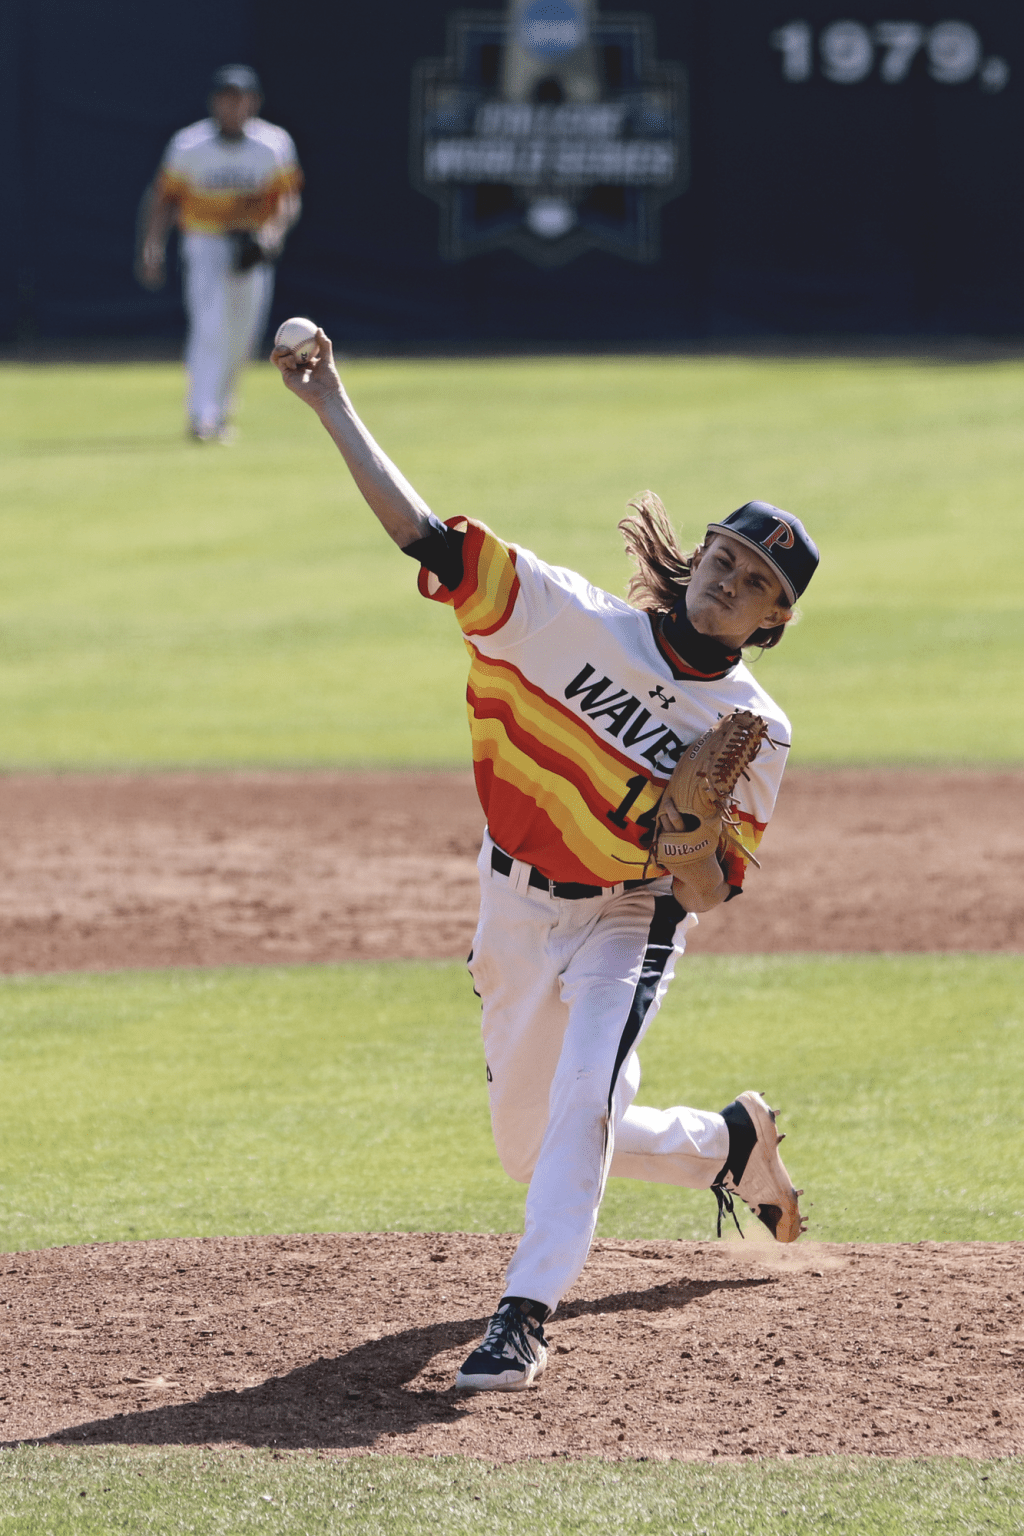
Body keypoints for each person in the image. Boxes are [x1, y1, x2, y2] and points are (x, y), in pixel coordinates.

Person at [272, 329, 820, 1394]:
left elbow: (713, 893)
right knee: (531, 1144)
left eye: (754, 581)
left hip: (629, 916)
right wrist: (331, 400)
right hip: (512, 904)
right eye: (723, 557)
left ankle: (522, 1315)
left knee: (583, 1104)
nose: (727, 580)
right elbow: (427, 541)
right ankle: (726, 1142)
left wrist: (692, 838)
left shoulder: (758, 727)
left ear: (774, 620)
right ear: (695, 556)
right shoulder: (563, 618)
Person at [138, 65, 303, 441]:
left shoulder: (273, 144)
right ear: (215, 102)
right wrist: (152, 245)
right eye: (226, 98)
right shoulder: (189, 144)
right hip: (205, 240)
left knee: (245, 333)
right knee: (210, 326)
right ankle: (202, 416)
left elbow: (287, 200)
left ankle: (222, 409)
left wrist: (271, 235)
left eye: (240, 98)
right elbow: (163, 199)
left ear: (254, 102)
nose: (233, 105)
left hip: (252, 244)